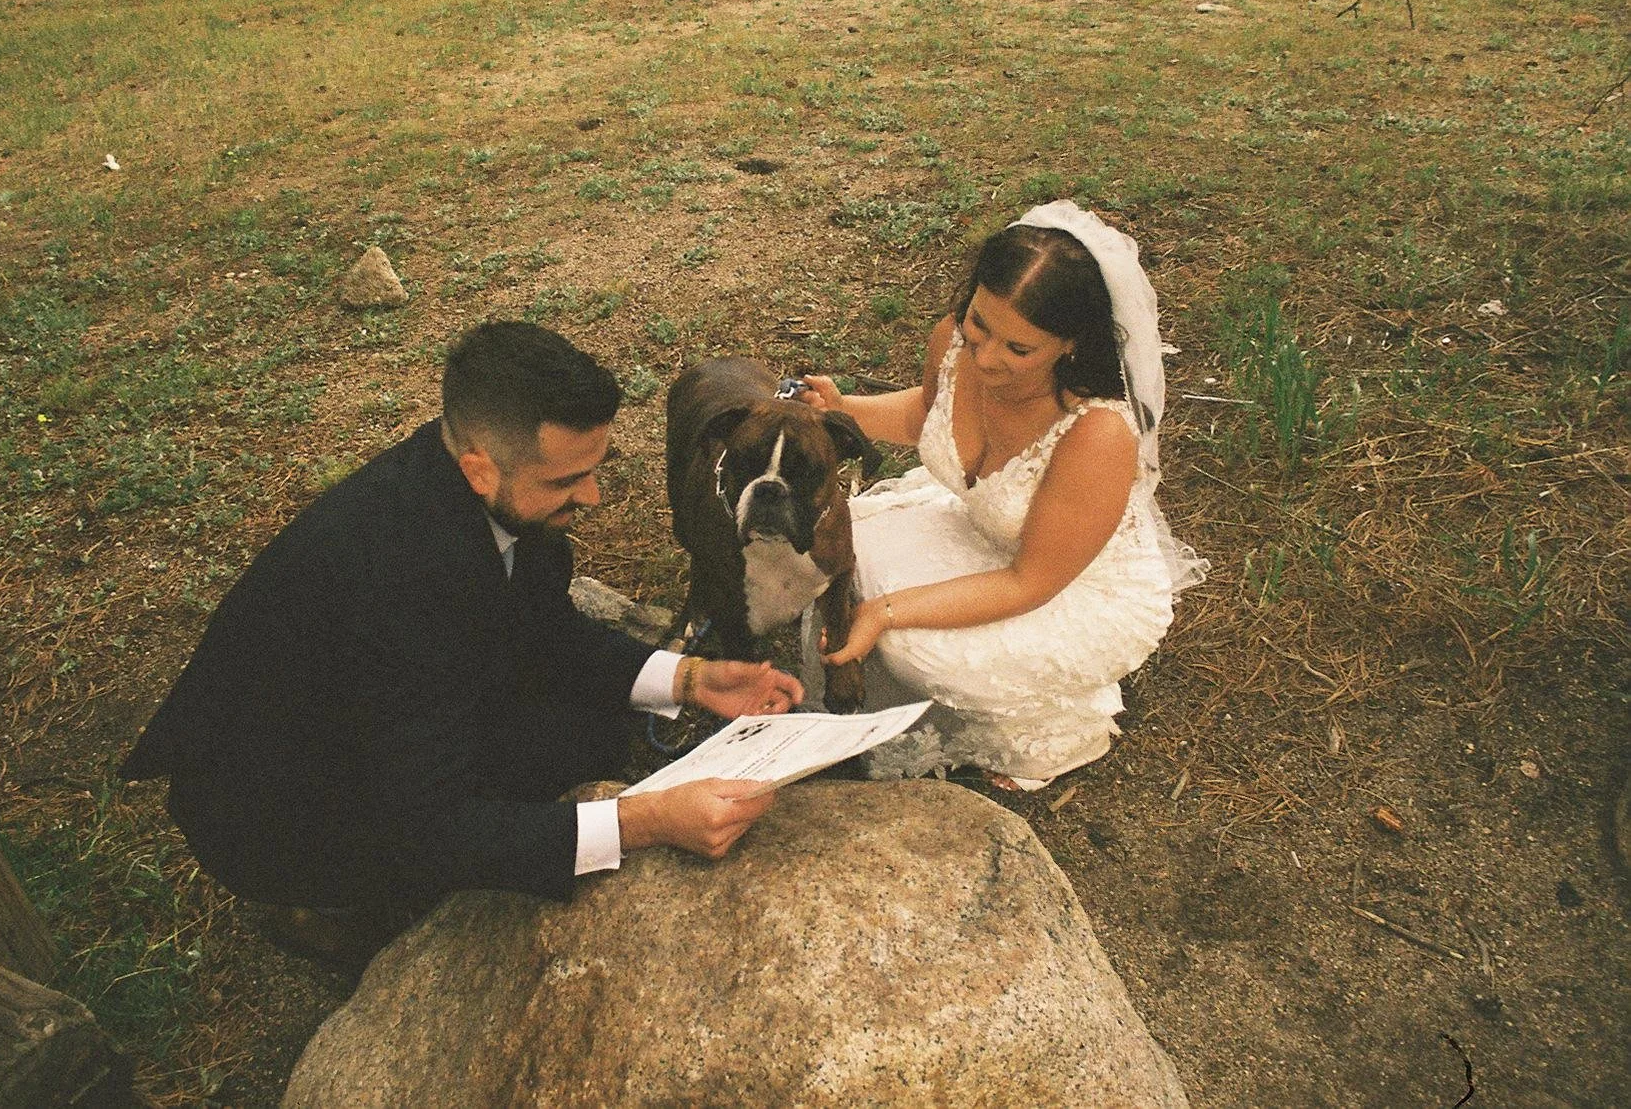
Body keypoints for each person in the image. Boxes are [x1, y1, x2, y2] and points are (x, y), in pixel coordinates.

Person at [120, 320, 802, 969]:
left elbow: (544, 628)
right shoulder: (395, 589)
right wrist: (644, 821)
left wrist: (692, 679)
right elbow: (431, 824)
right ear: (480, 469)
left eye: (593, 468)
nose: (591, 496)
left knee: (585, 737)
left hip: (384, 709)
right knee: (465, 827)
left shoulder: (466, 477)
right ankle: (331, 909)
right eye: (565, 480)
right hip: (282, 802)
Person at [794, 200, 1207, 787]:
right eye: (980, 325)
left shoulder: (1096, 432)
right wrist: (843, 409)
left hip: (1070, 590)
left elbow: (1029, 582)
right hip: (984, 534)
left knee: (914, 646)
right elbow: (924, 416)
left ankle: (1060, 727)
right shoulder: (955, 341)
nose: (985, 358)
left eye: (1018, 350)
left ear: (1070, 344)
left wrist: (883, 613)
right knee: (837, 541)